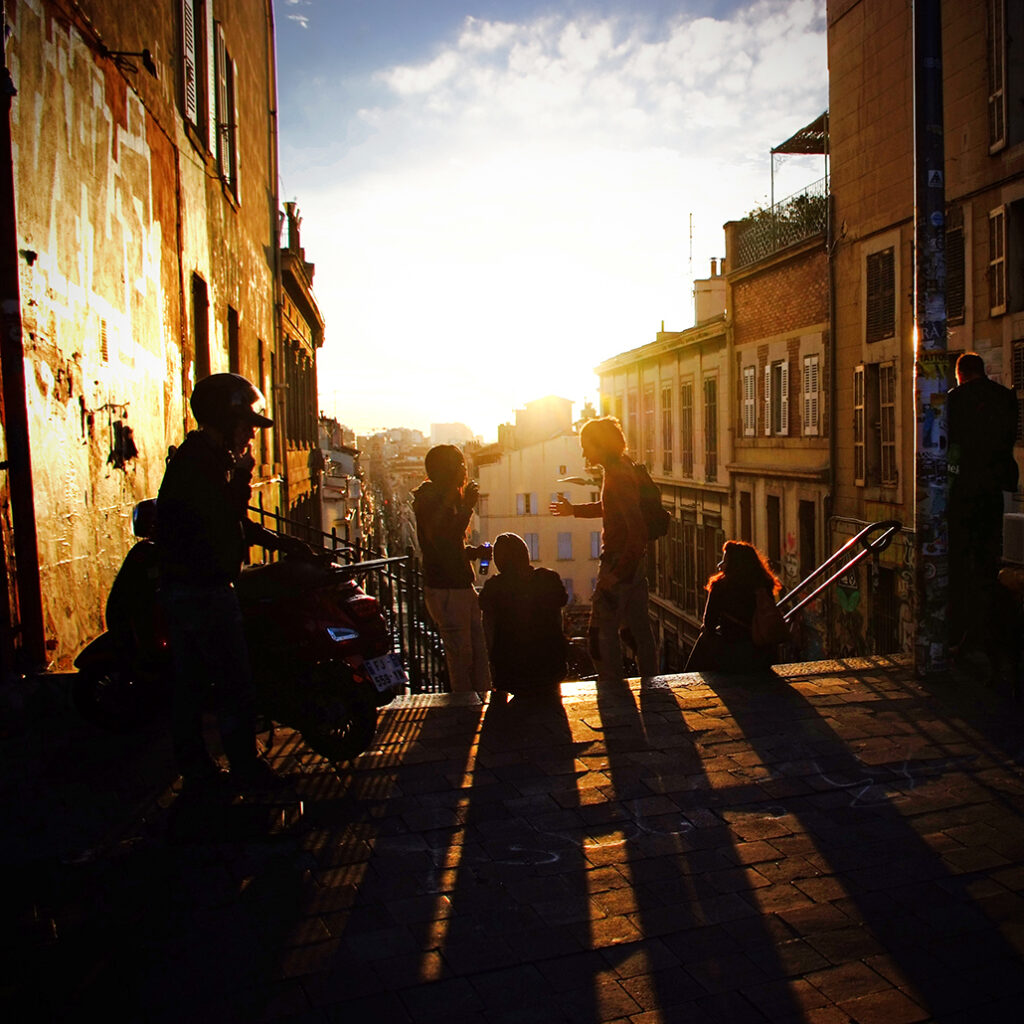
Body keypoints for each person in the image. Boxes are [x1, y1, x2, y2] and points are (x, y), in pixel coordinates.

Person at [157, 373, 312, 791]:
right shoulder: (202, 465)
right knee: (233, 683)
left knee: (191, 685)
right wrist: (243, 478)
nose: (249, 438)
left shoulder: (199, 460)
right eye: (246, 428)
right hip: (203, 590)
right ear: (226, 423)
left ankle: (198, 769)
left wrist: (284, 542)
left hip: (189, 589)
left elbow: (235, 524)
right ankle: (245, 768)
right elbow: (225, 518)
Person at [550, 416, 657, 681]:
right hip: (633, 563)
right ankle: (652, 684)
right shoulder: (622, 467)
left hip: (619, 561)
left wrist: (615, 574)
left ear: (602, 445)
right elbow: (611, 508)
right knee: (640, 630)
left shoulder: (618, 475)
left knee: (601, 632)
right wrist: (573, 511)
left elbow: (636, 529)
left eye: (587, 445)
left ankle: (612, 688)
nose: (584, 451)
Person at [947, 352, 1019, 657]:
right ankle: (993, 634)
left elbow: (947, 442)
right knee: (991, 558)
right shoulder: (1004, 398)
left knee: (962, 562)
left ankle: (964, 635)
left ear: (960, 374)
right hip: (996, 489)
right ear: (982, 371)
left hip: (965, 489)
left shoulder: (955, 399)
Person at [412, 444, 492, 694]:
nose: (463, 471)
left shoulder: (439, 499)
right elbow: (444, 538)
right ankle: (466, 711)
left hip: (458, 587)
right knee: (461, 656)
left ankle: (481, 703)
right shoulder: (430, 501)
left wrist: (474, 553)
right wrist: (468, 506)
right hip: (448, 590)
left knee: (478, 652)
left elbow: (447, 546)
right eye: (459, 466)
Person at [479, 533, 568, 700]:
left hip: (511, 674)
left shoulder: (494, 587)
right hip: (551, 670)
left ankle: (500, 668)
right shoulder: (549, 579)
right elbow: (558, 614)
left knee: (489, 615)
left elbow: (488, 626)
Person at [687, 540, 781, 673]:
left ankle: (690, 677)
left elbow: (709, 622)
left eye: (724, 561)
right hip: (761, 651)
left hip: (731, 652)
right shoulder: (764, 584)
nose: (720, 565)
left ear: (733, 564)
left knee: (704, 639)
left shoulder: (720, 586)